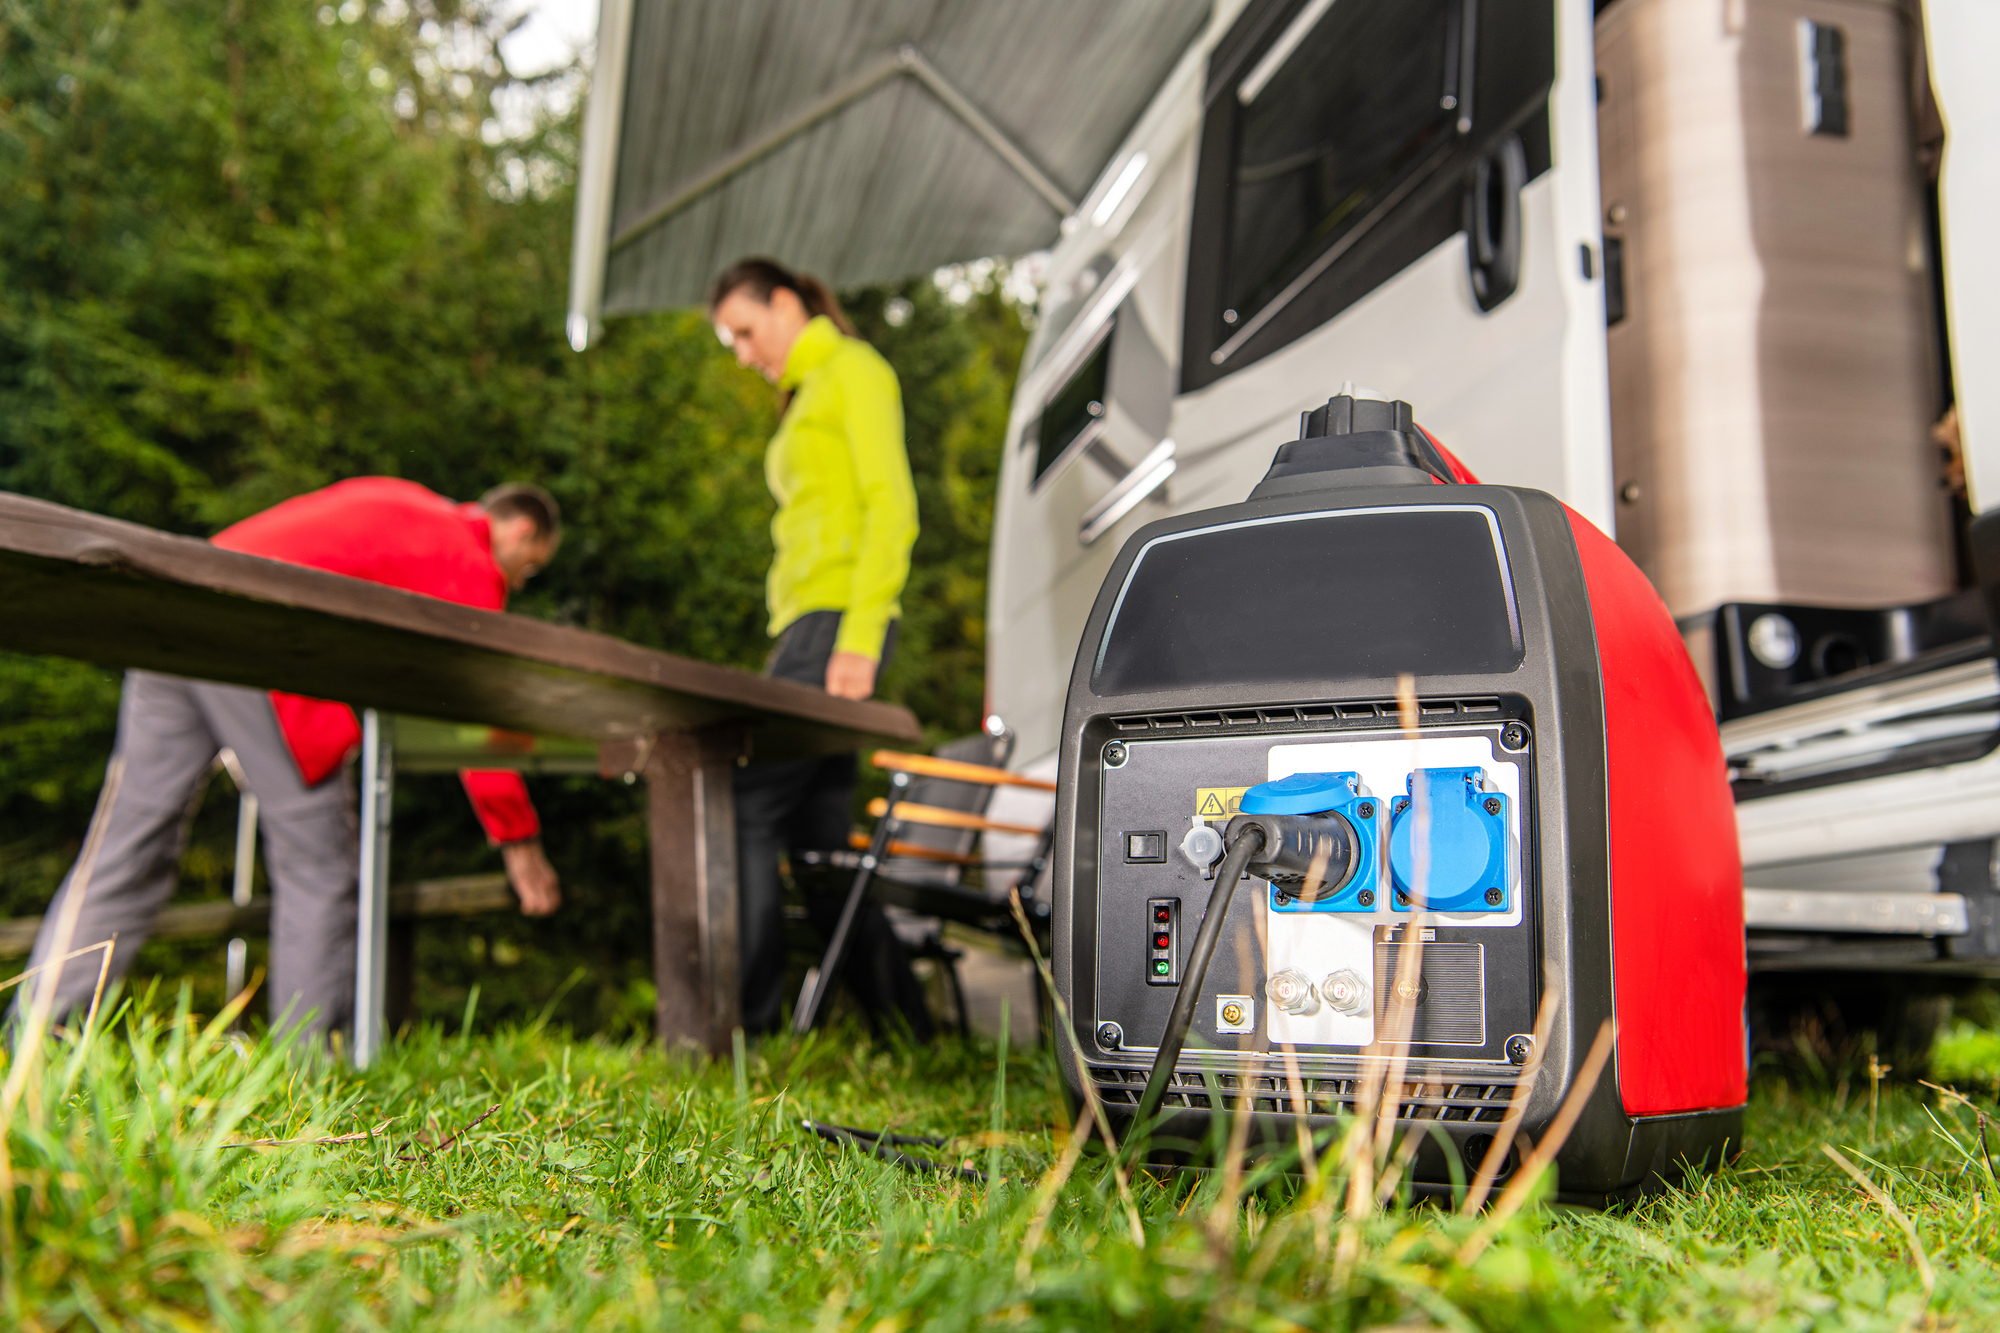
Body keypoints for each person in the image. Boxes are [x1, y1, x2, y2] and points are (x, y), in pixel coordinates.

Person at [17, 478, 565, 1038]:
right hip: (254, 634)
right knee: (320, 863)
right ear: (521, 530)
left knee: (126, 843)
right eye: (531, 565)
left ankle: (36, 1039)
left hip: (174, 609)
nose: (519, 580)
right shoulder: (467, 558)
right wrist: (518, 840)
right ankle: (304, 1068)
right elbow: (477, 711)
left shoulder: (404, 499)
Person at [707, 257, 932, 1040]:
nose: (741, 350)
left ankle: (742, 1028)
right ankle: (908, 1029)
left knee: (746, 807)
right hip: (805, 627)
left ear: (790, 300)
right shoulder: (805, 396)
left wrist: (861, 635)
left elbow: (891, 505)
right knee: (819, 839)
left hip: (837, 624)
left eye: (745, 328)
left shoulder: (853, 369)